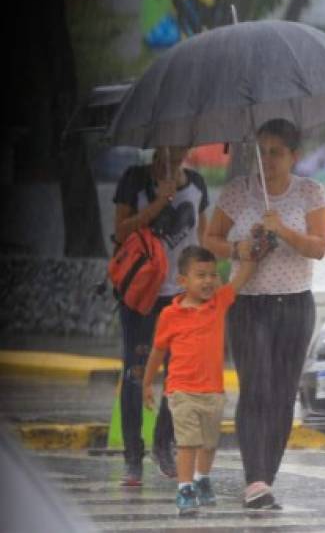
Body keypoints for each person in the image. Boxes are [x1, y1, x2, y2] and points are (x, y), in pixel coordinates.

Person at [204, 118, 325, 509]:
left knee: (281, 394)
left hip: (294, 303)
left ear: (295, 155)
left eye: (276, 152)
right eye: (261, 151)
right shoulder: (239, 191)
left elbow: (319, 247)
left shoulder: (310, 192)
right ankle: (254, 477)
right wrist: (240, 247)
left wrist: (284, 232)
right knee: (255, 388)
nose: (267, 159)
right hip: (249, 303)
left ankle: (266, 476)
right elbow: (210, 238)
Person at [112, 145, 209, 485]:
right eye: (169, 144)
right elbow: (121, 232)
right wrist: (157, 204)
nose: (176, 150)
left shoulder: (197, 184)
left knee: (178, 378)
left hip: (181, 299)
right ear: (158, 147)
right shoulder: (135, 180)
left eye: (182, 144)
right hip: (142, 297)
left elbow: (203, 239)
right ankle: (132, 456)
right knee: (136, 374)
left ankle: (162, 445)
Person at [141, 244, 258, 516]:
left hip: (213, 391)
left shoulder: (218, 303)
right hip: (181, 391)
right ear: (183, 281)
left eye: (212, 275)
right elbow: (158, 351)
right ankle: (184, 489)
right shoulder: (170, 315)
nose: (208, 281)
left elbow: (242, 277)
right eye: (200, 275)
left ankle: (201, 479)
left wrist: (252, 252)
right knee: (187, 442)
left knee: (209, 442)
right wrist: (148, 383)